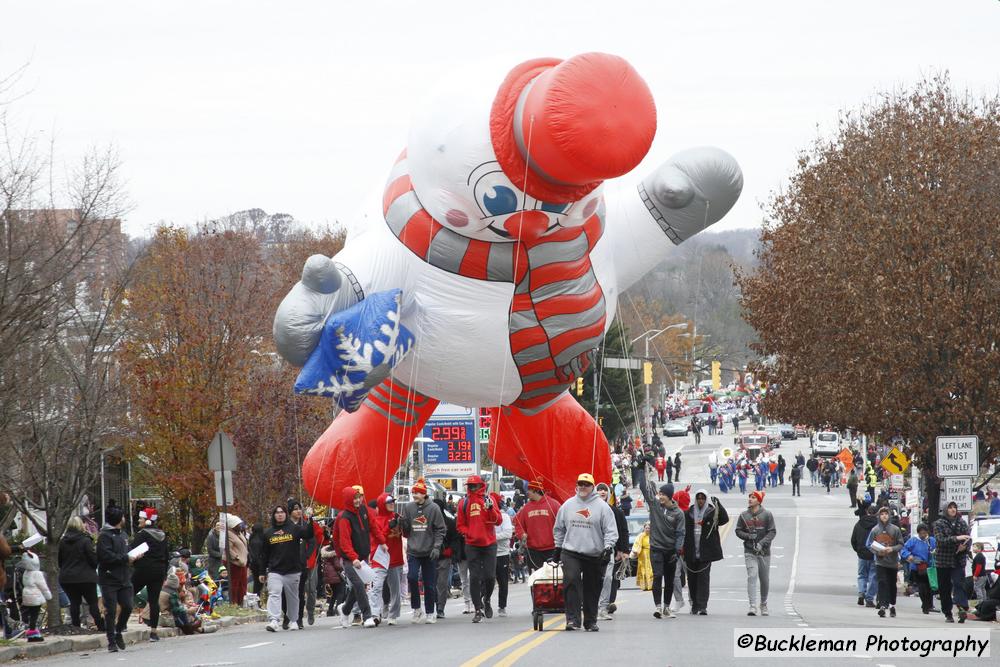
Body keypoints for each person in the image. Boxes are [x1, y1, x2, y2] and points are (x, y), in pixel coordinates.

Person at [552, 473, 618, 632]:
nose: (583, 487)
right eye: (580, 483)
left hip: (594, 553)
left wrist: (608, 548)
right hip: (571, 552)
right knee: (572, 582)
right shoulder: (567, 505)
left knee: (592, 587)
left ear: (592, 487)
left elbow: (611, 531)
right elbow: (559, 528)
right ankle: (573, 620)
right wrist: (558, 547)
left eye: (586, 484)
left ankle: (590, 621)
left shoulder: (603, 507)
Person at [334, 486, 385, 629]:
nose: (357, 500)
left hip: (362, 557)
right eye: (354, 498)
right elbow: (344, 542)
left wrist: (382, 542)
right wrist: (353, 558)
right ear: (348, 500)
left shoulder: (364, 510)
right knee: (358, 585)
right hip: (349, 559)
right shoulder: (344, 518)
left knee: (360, 586)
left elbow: (373, 527)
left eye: (359, 497)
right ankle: (367, 616)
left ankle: (344, 610)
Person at [397, 480, 446, 623]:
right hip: (413, 550)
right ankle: (417, 609)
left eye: (417, 493)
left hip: (430, 551)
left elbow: (441, 529)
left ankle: (430, 612)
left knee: (429, 583)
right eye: (413, 492)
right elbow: (406, 531)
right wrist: (402, 524)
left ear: (424, 494)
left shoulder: (434, 508)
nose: (414, 495)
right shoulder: (408, 507)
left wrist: (437, 547)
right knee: (412, 577)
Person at [456, 475, 502, 623]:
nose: (471, 488)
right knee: (474, 578)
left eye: (474, 486)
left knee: (490, 576)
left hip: (489, 544)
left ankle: (487, 599)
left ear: (480, 485)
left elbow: (498, 521)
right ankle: (477, 609)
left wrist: (490, 509)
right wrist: (468, 533)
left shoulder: (490, 500)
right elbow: (460, 525)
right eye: (469, 486)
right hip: (472, 545)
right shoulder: (463, 502)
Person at [97, 505, 142, 652]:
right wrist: (125, 558)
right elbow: (105, 556)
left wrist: (134, 556)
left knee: (128, 606)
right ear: (118, 519)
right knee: (110, 610)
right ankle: (111, 641)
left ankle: (118, 630)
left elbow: (127, 553)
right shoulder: (104, 536)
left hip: (124, 576)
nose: (124, 519)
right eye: (122, 517)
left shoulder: (123, 534)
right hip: (109, 578)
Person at [261, 504, 313, 632]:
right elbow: (264, 554)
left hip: (293, 570)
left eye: (282, 512)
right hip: (275, 570)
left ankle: (294, 620)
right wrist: (262, 571)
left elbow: (308, 534)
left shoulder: (294, 529)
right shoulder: (268, 533)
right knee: (274, 593)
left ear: (286, 514)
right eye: (277, 512)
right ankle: (274, 620)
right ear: (274, 515)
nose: (280, 514)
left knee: (293, 597)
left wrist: (311, 519)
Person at [639, 481, 684, 619]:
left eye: (663, 494)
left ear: (670, 496)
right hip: (656, 548)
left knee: (669, 579)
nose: (660, 496)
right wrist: (640, 468)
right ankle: (658, 607)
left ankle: (666, 607)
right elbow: (644, 489)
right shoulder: (655, 505)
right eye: (660, 493)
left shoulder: (678, 513)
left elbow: (680, 533)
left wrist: (677, 551)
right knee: (658, 575)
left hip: (670, 550)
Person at [684, 488, 729, 615]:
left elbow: (724, 520)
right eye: (698, 498)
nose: (700, 501)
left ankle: (703, 605)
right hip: (691, 551)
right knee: (692, 580)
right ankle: (695, 605)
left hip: (706, 552)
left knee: (703, 579)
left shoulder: (712, 512)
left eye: (703, 498)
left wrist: (718, 505)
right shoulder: (689, 513)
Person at [129, 506, 170, 641]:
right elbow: (166, 555)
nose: (138, 520)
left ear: (147, 520)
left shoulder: (142, 534)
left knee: (128, 593)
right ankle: (154, 632)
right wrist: (164, 572)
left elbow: (132, 551)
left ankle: (121, 623)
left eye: (141, 518)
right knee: (154, 600)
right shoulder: (162, 535)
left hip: (143, 569)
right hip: (159, 571)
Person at [59, 516, 104, 632]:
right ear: (80, 525)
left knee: (74, 602)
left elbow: (60, 561)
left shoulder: (62, 542)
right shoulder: (85, 540)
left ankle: (76, 627)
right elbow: (93, 560)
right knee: (92, 602)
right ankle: (100, 626)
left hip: (67, 577)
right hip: (86, 577)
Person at [735, 491, 776, 616]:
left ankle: (763, 603)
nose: (750, 499)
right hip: (750, 551)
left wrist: (762, 543)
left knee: (764, 579)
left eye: (753, 497)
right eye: (749, 497)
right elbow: (738, 530)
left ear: (759, 500)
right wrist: (748, 536)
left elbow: (772, 532)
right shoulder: (743, 516)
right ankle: (752, 605)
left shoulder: (767, 515)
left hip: (764, 552)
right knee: (752, 575)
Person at [933, 501, 972, 623]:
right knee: (944, 588)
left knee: (959, 583)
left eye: (954, 507)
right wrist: (956, 538)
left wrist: (965, 546)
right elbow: (940, 540)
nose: (953, 509)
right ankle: (948, 613)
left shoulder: (961, 522)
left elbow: (969, 538)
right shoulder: (939, 524)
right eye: (950, 507)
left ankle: (961, 608)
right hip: (943, 560)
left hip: (958, 560)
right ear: (945, 510)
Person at [595, 484, 629, 620]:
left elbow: (622, 532)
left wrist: (623, 550)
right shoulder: (589, 510)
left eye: (604, 490)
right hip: (592, 550)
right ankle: (592, 606)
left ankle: (604, 606)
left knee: (609, 578)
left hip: (610, 551)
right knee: (594, 579)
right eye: (599, 489)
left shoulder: (616, 512)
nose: (602, 492)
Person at [369, 493, 404, 625]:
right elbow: (378, 538)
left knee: (395, 589)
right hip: (379, 558)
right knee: (376, 587)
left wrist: (404, 524)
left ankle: (393, 615)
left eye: (393, 501)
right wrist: (388, 526)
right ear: (382, 504)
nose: (392, 503)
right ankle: (374, 614)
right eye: (388, 502)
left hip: (395, 558)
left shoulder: (397, 517)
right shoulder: (375, 521)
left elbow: (406, 533)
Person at [514, 480, 561, 572]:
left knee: (553, 579)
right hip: (533, 551)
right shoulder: (526, 508)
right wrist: (522, 534)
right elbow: (518, 525)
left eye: (529, 490)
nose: (527, 492)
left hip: (552, 549)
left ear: (536, 490)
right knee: (536, 581)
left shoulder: (554, 505)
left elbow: (562, 525)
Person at [867, 506, 904, 617]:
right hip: (880, 562)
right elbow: (869, 545)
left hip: (892, 562)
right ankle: (883, 605)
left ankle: (892, 605)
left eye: (886, 514)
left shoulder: (895, 529)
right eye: (882, 514)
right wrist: (878, 552)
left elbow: (901, 544)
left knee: (892, 584)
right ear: (879, 516)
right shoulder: (875, 530)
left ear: (889, 516)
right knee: (882, 582)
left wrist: (892, 549)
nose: (884, 516)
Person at [433, 495, 461, 619]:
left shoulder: (449, 521)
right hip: (429, 556)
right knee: (431, 583)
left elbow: (456, 538)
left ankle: (440, 607)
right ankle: (432, 606)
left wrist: (450, 550)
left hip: (444, 556)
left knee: (442, 583)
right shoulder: (427, 521)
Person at [901, 524, 937, 614]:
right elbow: (903, 549)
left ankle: (929, 605)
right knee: (922, 587)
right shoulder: (913, 540)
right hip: (917, 567)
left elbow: (937, 549)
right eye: (921, 533)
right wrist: (908, 556)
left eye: (925, 533)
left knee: (929, 587)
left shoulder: (931, 540)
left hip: (929, 568)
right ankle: (925, 605)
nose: (923, 535)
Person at [18, 552, 51, 643]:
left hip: (27, 595)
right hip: (36, 596)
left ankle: (31, 631)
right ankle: (33, 634)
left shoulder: (26, 572)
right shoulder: (37, 573)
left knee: (30, 614)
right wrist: (48, 595)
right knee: (34, 616)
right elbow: (43, 586)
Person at [850, 505, 879, 608]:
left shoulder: (859, 523)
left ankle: (861, 592)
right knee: (873, 576)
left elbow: (853, 539)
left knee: (862, 575)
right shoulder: (878, 526)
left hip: (862, 554)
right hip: (874, 554)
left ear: (867, 512)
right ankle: (869, 598)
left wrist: (858, 550)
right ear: (877, 513)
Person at [492, 493, 514, 617]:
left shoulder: (504, 516)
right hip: (489, 553)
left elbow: (507, 533)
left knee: (503, 581)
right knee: (487, 580)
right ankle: (485, 602)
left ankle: (502, 606)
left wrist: (491, 538)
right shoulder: (487, 516)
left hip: (502, 553)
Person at [223, 516, 250, 607]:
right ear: (233, 525)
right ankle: (234, 602)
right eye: (238, 524)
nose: (241, 526)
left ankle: (241, 602)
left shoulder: (239, 533)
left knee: (243, 583)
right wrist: (236, 557)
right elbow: (228, 549)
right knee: (235, 584)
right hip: (235, 563)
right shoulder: (229, 534)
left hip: (242, 563)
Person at [630, 523, 653, 591]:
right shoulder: (640, 536)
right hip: (643, 555)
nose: (647, 529)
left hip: (651, 554)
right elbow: (637, 544)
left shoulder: (653, 536)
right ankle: (644, 585)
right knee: (643, 570)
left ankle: (651, 585)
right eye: (646, 528)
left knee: (651, 570)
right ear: (644, 528)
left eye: (649, 528)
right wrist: (635, 551)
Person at [248, 523, 267, 600]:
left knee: (256, 582)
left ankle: (256, 599)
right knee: (260, 583)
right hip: (260, 563)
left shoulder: (251, 538)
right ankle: (258, 599)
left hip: (253, 563)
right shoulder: (261, 539)